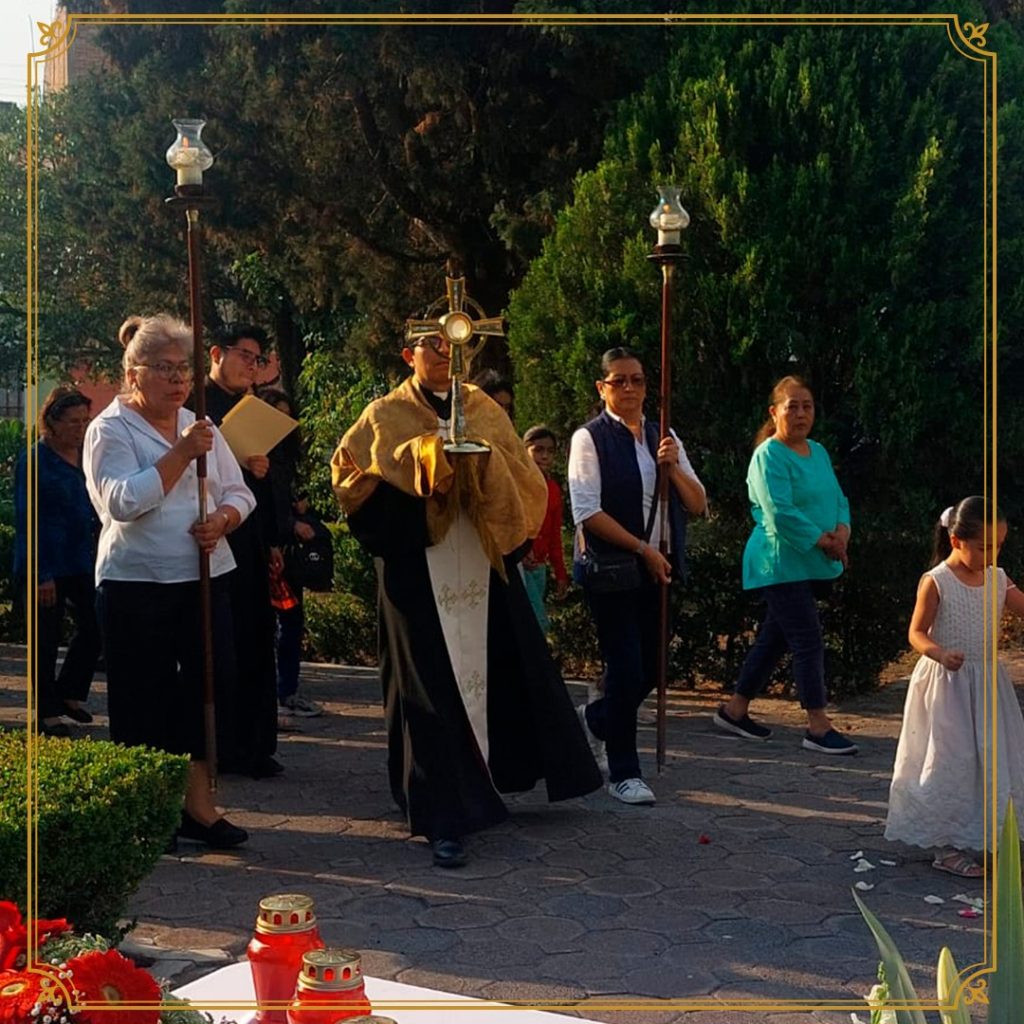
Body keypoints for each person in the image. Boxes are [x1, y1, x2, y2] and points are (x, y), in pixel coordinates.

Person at [331, 330, 602, 868]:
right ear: (408, 354)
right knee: (427, 686)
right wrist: (422, 460)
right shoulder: (384, 414)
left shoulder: (481, 408)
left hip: (479, 556)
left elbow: (522, 476)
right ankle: (441, 815)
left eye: (451, 345)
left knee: (493, 671)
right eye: (431, 345)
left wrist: (483, 466)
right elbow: (350, 480)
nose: (444, 354)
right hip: (416, 562)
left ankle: (488, 782)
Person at [83, 314, 255, 848]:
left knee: (210, 686)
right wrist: (181, 453)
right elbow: (122, 501)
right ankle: (147, 813)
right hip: (137, 581)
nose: (179, 379)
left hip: (204, 577)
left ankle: (198, 807)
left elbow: (240, 491)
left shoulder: (200, 424)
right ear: (133, 373)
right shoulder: (110, 429)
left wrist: (222, 519)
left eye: (184, 368)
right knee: (143, 696)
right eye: (164, 368)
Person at [568, 347, 706, 805]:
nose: (629, 388)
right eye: (619, 381)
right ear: (602, 387)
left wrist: (673, 467)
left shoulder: (662, 435)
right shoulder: (589, 438)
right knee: (625, 666)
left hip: (660, 568)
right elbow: (587, 511)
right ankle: (624, 771)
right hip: (614, 570)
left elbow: (698, 503)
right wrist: (641, 548)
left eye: (637, 380)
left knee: (651, 668)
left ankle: (596, 720)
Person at [712, 375, 857, 755]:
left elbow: (838, 498)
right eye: (792, 407)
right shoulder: (768, 455)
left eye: (807, 406)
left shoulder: (818, 451)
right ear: (774, 412)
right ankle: (817, 726)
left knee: (775, 638)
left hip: (811, 562)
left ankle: (734, 711)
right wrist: (823, 540)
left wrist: (842, 531)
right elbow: (779, 512)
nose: (801, 414)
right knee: (808, 639)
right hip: (778, 563)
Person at [885, 497, 1024, 878]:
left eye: (998, 546)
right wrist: (940, 653)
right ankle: (945, 845)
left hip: (987, 685)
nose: (991, 555)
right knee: (950, 760)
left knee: (992, 756)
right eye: (983, 547)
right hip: (947, 687)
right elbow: (916, 632)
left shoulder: (998, 578)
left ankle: (990, 832)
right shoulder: (937, 581)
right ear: (956, 541)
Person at [192, 324, 283, 778]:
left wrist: (260, 470)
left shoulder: (254, 408)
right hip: (209, 537)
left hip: (250, 539)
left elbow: (268, 484)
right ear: (216, 354)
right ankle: (223, 746)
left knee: (256, 638)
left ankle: (256, 744)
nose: (252, 366)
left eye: (257, 359)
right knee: (220, 644)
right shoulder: (194, 409)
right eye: (245, 355)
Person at [14, 386, 101, 737]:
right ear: (52, 422)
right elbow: (27, 519)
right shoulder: (35, 460)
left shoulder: (87, 454)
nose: (80, 428)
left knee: (96, 624)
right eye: (73, 422)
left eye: (85, 421)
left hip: (82, 559)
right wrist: (41, 573)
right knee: (45, 639)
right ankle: (47, 712)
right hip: (46, 560)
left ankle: (69, 691)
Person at [256, 385, 324, 720]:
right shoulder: (255, 457)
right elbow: (260, 506)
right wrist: (287, 526)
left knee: (292, 621)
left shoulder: (288, 458)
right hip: (263, 550)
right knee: (265, 625)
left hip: (287, 553)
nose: (281, 424)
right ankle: (269, 694)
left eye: (287, 417)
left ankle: (287, 690)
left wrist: (301, 511)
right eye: (275, 416)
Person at [520, 425, 568, 634]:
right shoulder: (517, 485)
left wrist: (560, 572)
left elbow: (554, 535)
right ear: (525, 450)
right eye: (538, 450)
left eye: (550, 451)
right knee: (535, 624)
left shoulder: (553, 490)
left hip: (540, 566)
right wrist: (521, 550)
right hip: (520, 564)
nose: (545, 456)